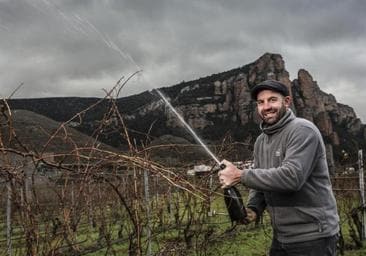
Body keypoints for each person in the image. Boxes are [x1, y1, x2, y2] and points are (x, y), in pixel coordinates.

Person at [218, 80, 339, 256]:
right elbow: (260, 177)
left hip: (313, 236)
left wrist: (239, 175)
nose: (266, 106)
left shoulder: (303, 130)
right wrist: (253, 208)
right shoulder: (261, 141)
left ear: (287, 101)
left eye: (272, 100)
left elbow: (292, 177)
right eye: (261, 102)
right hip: (282, 237)